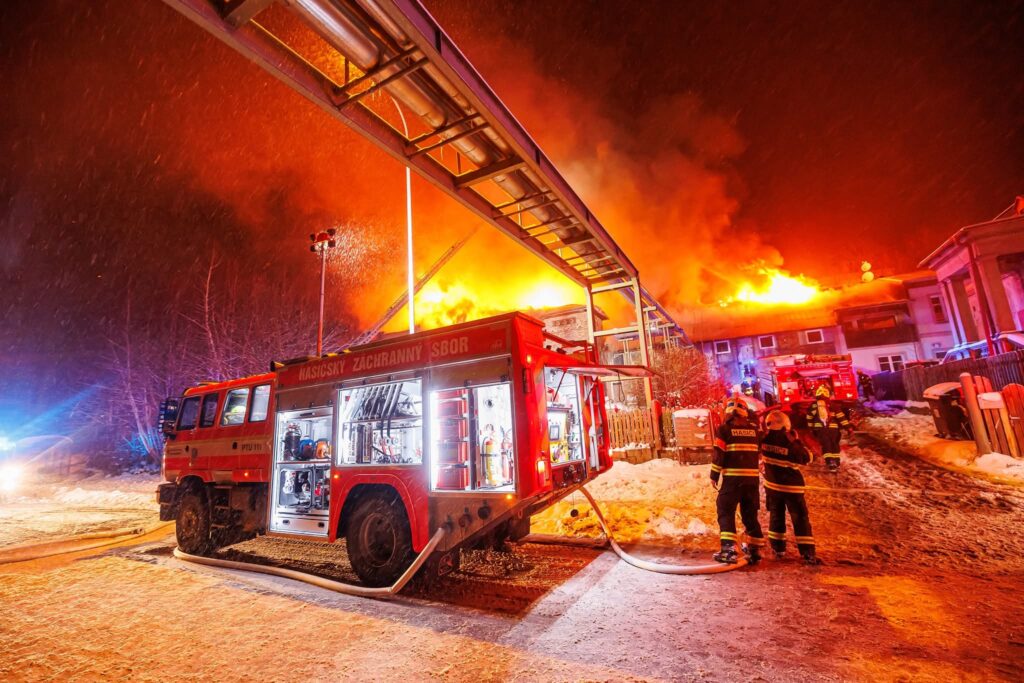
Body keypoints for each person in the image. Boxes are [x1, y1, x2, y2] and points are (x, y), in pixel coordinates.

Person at [711, 396, 765, 564]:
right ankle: (754, 549)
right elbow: (760, 451)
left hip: (732, 480)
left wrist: (714, 475)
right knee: (749, 514)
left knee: (725, 510)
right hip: (751, 481)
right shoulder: (754, 430)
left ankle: (729, 549)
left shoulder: (724, 430)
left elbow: (719, 454)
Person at [761, 410, 820, 565]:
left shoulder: (764, 440)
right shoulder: (790, 443)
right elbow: (807, 458)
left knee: (776, 517)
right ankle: (807, 553)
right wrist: (796, 441)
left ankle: (778, 549)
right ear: (784, 424)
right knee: (800, 519)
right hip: (792, 489)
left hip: (772, 487)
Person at [805, 385, 853, 472]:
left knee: (826, 445)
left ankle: (830, 463)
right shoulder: (833, 405)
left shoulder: (814, 406)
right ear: (827, 395)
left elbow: (809, 417)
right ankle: (837, 463)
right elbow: (841, 417)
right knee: (834, 444)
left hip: (821, 430)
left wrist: (811, 428)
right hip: (833, 430)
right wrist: (848, 428)